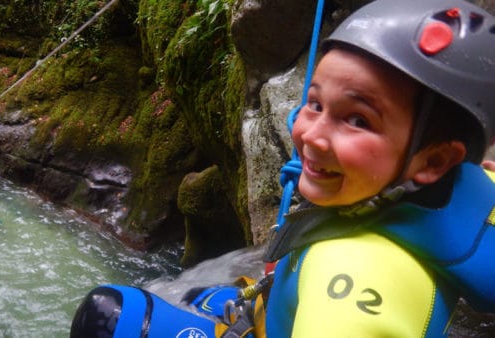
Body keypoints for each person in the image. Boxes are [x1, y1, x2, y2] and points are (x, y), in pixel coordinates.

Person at [71, 0, 495, 336]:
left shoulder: (351, 280)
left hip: (276, 318)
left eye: (357, 120)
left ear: (434, 161)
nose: (309, 134)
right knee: (194, 295)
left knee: (108, 315)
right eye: (315, 102)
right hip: (270, 308)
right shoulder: (438, 192)